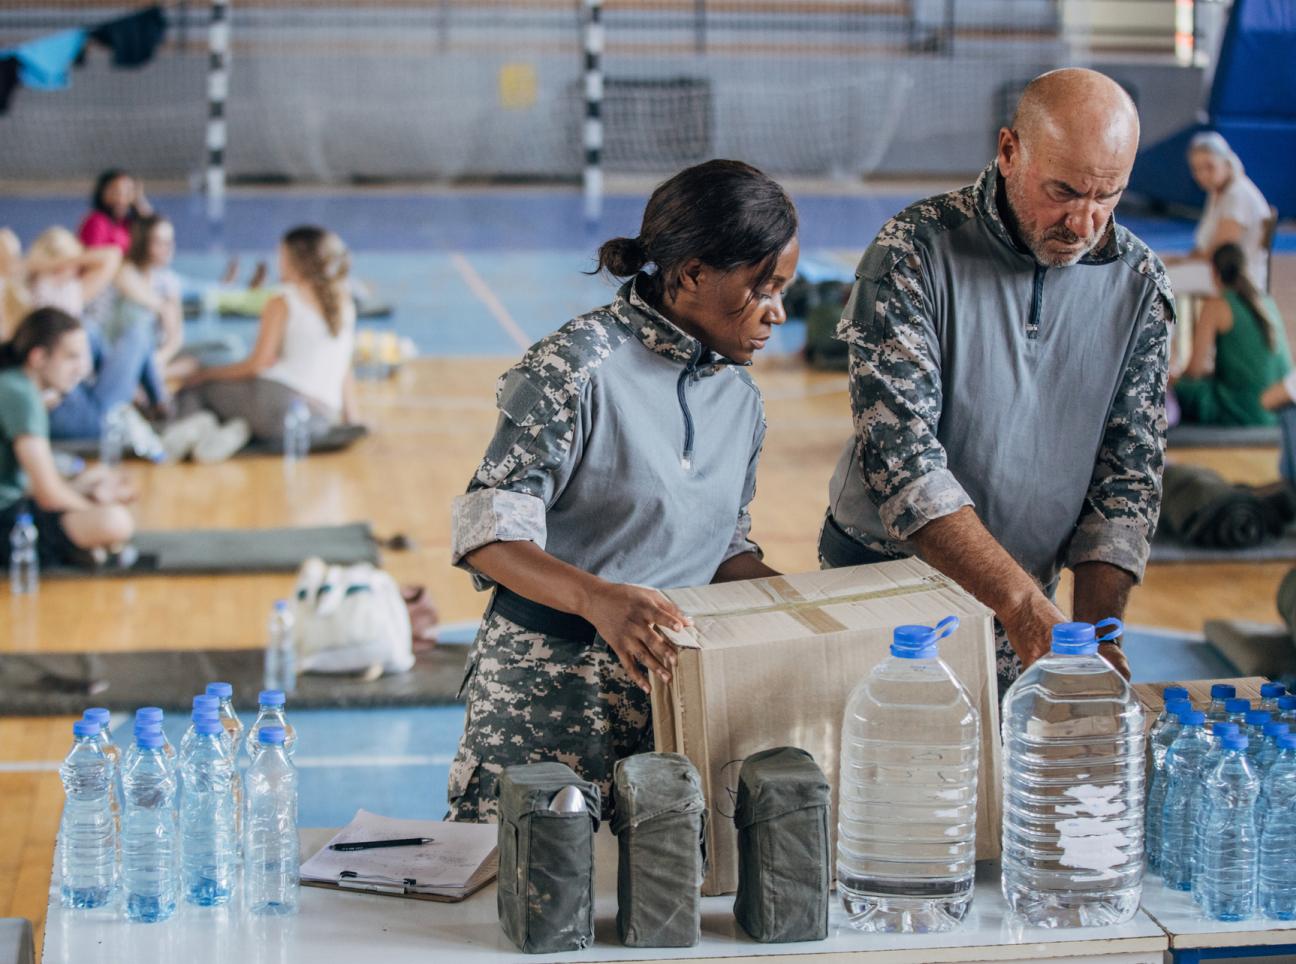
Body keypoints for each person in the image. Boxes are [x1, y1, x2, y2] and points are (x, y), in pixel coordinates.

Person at [447, 159, 799, 821]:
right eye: (763, 287)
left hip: (669, 706)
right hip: (548, 701)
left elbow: (721, 551)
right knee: (528, 895)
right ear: (691, 273)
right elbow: (487, 534)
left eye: (785, 289)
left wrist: (804, 610)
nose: (779, 313)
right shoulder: (577, 365)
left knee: (652, 902)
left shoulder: (741, 400)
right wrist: (597, 599)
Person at [820, 68, 1173, 693]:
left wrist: (1098, 637)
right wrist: (1022, 607)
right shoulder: (915, 252)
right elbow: (903, 465)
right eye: (1063, 190)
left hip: (1030, 601)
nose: (1084, 222)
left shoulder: (1139, 286)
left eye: (1107, 195)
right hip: (885, 587)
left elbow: (1127, 478)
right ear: (1010, 151)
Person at [165, 225, 359, 462]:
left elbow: (258, 364)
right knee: (235, 396)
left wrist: (206, 374)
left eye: (281, 255)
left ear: (296, 260)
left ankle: (197, 431)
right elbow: (344, 366)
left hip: (279, 405)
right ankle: (235, 431)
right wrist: (351, 418)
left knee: (195, 389)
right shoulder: (343, 302)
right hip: (319, 420)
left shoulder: (283, 300)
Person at [0, 307, 135, 567]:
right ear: (39, 357)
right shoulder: (20, 395)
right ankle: (83, 548)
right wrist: (93, 508)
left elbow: (25, 484)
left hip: (12, 506)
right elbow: (48, 495)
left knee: (94, 480)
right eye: (71, 357)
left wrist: (87, 491)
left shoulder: (15, 384)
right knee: (115, 521)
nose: (80, 369)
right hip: (6, 520)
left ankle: (83, 548)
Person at [1173, 242, 1290, 427]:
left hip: (1246, 409)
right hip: (1278, 410)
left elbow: (1194, 371)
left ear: (1213, 272)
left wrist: (1174, 380)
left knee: (1177, 387)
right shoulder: (1266, 302)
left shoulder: (1217, 304)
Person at [1163, 131, 1272, 296]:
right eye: (1197, 169)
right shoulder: (1218, 192)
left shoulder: (1237, 196)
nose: (1202, 175)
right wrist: (1179, 261)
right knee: (1157, 265)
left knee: (1157, 279)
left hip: (1234, 278)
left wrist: (1181, 263)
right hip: (1214, 271)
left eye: (1209, 167)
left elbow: (1221, 254)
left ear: (1226, 162)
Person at [77, 169, 152, 254]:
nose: (121, 198)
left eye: (128, 192)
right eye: (116, 191)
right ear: (102, 193)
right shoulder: (97, 220)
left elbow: (153, 232)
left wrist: (140, 202)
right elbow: (93, 256)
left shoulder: (128, 223)